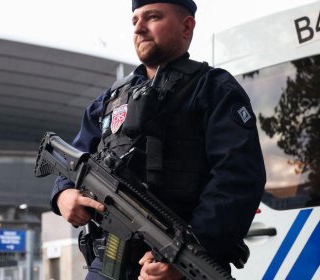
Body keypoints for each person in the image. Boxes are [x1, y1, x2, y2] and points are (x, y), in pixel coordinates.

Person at [50, 0, 266, 279]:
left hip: (181, 263)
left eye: (152, 17)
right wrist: (63, 194)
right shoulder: (111, 99)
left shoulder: (215, 89)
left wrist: (191, 254)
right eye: (135, 20)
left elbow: (237, 180)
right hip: (107, 264)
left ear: (187, 26)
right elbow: (74, 156)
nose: (139, 28)